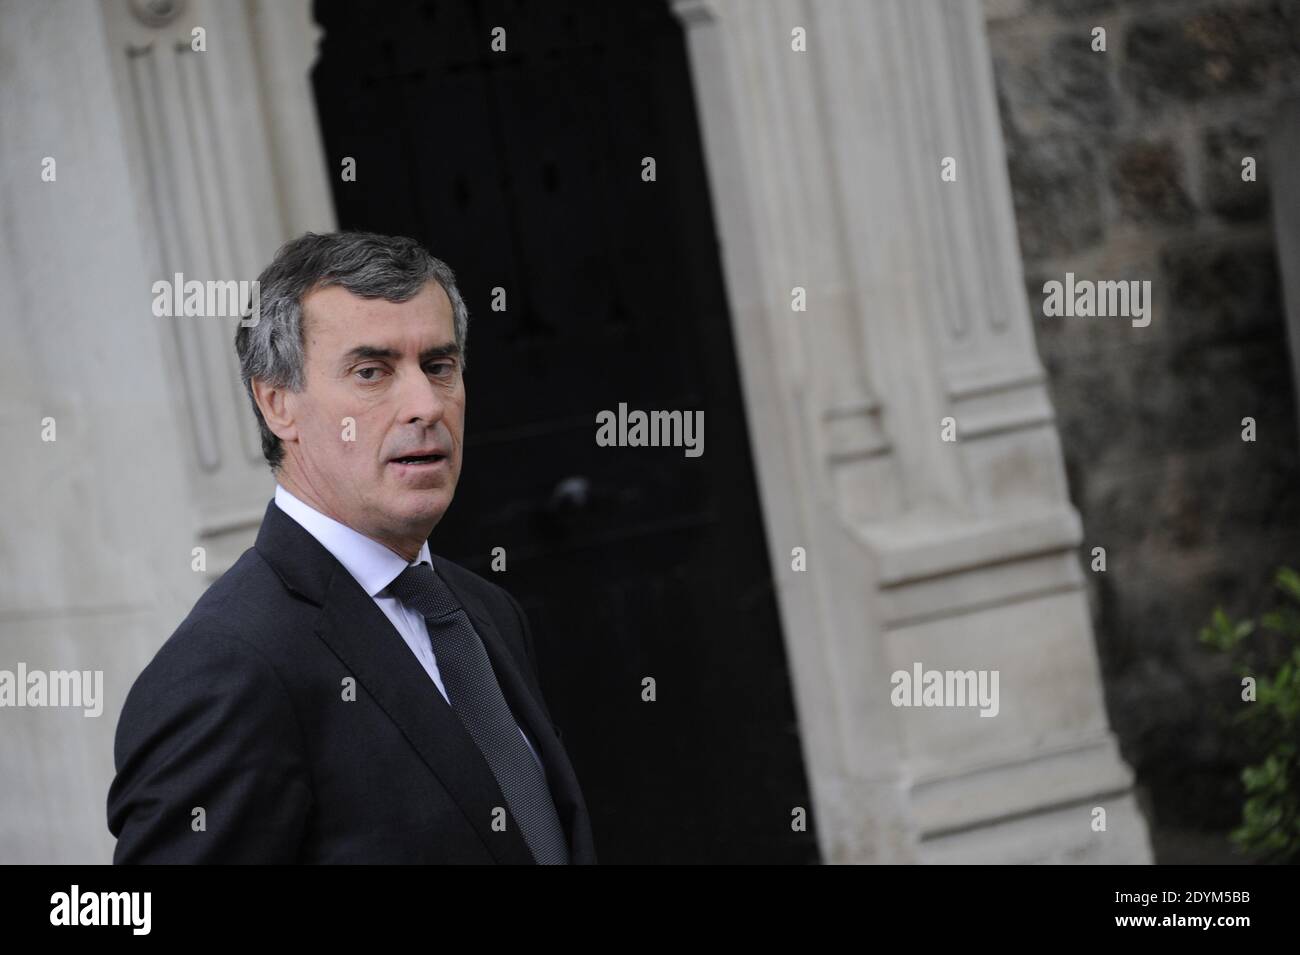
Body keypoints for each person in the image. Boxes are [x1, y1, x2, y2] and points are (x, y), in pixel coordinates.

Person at [107, 231, 596, 864]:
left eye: (439, 366)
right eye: (372, 372)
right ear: (277, 402)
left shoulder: (485, 611)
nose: (425, 404)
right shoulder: (228, 669)